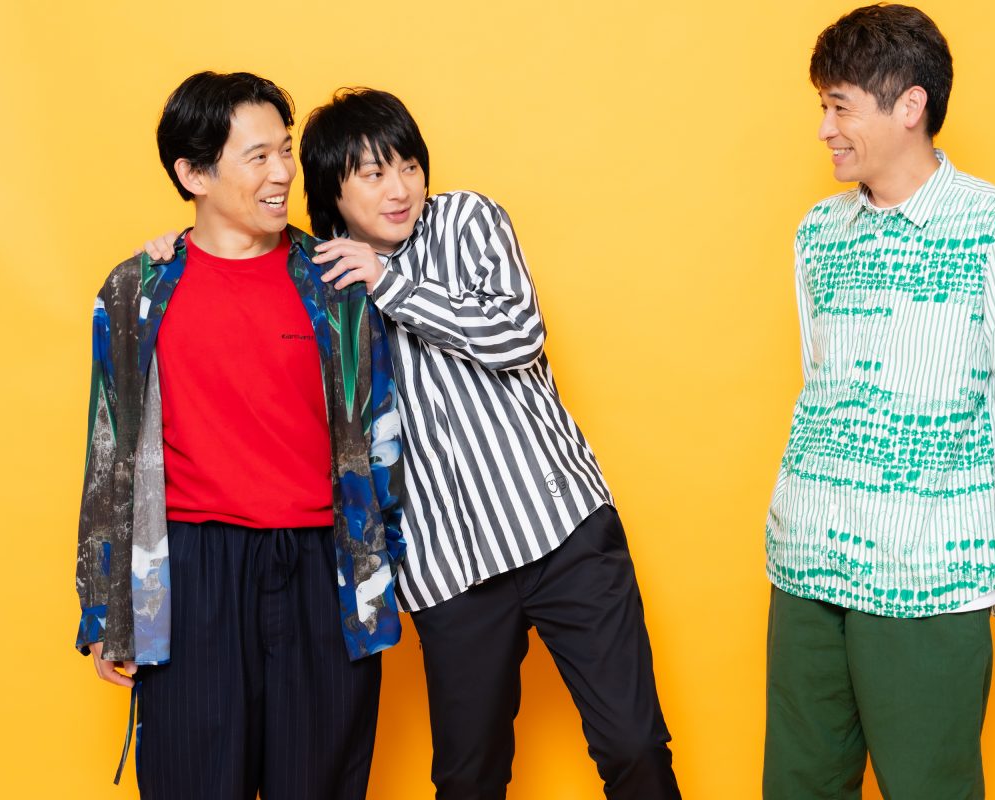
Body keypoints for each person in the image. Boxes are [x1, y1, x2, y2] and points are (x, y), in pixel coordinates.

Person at [147, 86, 682, 799]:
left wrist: (391, 284)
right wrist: (169, 255)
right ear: (332, 191)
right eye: (373, 174)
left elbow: (518, 336)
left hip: (560, 531)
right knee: (467, 777)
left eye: (409, 167)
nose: (399, 190)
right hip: (447, 566)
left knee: (634, 745)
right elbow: (237, 296)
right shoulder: (323, 282)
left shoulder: (466, 220)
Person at [762, 5, 995, 798]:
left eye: (840, 106)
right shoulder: (818, 233)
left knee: (929, 785)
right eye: (823, 106)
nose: (824, 129)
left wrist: (957, 510)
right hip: (808, 555)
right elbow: (822, 381)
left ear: (909, 105)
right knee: (799, 782)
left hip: (927, 569)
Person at [74, 71, 403, 799]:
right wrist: (105, 606)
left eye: (284, 151)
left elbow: (382, 438)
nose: (283, 173)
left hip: (323, 569)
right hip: (189, 572)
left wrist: (389, 579)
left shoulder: (336, 283)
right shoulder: (136, 290)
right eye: (258, 157)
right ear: (194, 174)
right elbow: (109, 450)